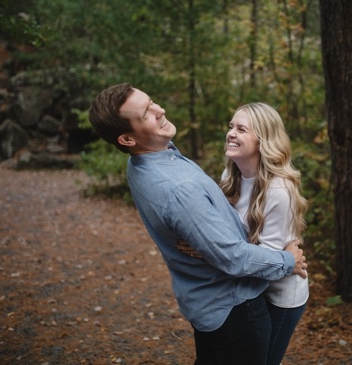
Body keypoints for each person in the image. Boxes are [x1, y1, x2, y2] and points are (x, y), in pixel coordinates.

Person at [87, 83, 309, 365]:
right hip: (233, 306)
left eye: (152, 101)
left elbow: (226, 243)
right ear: (128, 140)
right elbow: (232, 256)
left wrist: (209, 244)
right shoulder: (181, 188)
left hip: (221, 301)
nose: (160, 110)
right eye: (146, 114)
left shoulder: (151, 161)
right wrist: (287, 260)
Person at [218, 102, 309, 365]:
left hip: (279, 295)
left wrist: (224, 253)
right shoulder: (229, 175)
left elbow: (267, 261)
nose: (231, 133)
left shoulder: (279, 191)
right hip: (248, 288)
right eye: (231, 126)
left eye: (241, 129)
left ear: (263, 141)